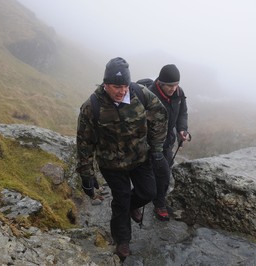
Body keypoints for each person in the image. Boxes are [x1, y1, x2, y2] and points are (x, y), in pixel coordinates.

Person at [76, 57, 168, 259]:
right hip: (112, 165)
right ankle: (122, 240)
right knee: (121, 198)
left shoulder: (140, 94)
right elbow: (84, 142)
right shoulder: (92, 106)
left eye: (125, 86)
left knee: (148, 192)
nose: (122, 91)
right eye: (116, 86)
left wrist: (157, 148)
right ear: (105, 84)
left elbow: (160, 115)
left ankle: (132, 207)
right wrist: (86, 174)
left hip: (140, 158)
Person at [146, 64, 190, 221]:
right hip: (149, 144)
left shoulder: (179, 93)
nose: (173, 88)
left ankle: (159, 202)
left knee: (164, 171)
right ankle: (147, 198)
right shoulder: (149, 95)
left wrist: (182, 130)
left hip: (167, 142)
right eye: (170, 85)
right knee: (156, 173)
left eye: (176, 84)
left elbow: (182, 113)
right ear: (161, 83)